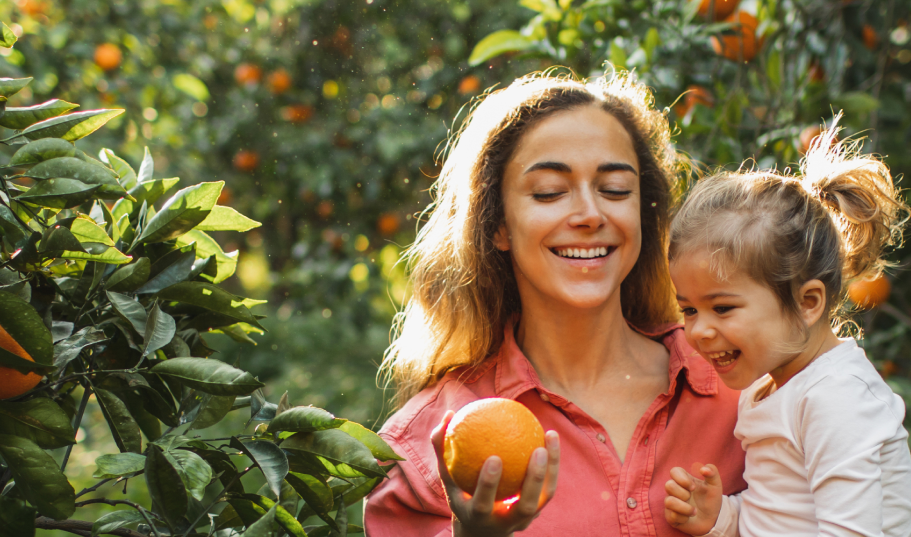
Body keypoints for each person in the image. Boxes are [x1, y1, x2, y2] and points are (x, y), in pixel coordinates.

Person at [365, 71, 748, 537]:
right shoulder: (427, 451)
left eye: (615, 190)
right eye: (549, 192)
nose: (590, 214)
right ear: (498, 225)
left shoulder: (742, 386)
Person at [661, 121, 911, 536]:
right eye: (688, 310)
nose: (699, 331)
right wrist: (723, 517)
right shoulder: (770, 389)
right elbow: (780, 517)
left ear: (807, 303)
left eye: (722, 308)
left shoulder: (836, 398)